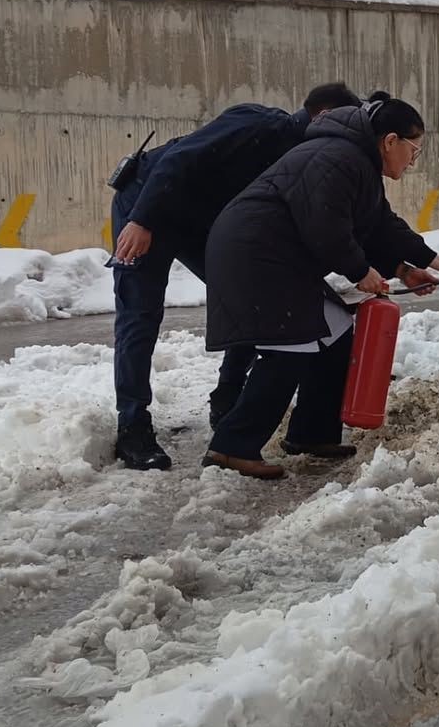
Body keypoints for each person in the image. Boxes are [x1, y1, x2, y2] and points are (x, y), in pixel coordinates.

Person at [202, 91, 439, 479]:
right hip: (257, 258)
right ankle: (231, 447)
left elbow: (381, 225)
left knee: (337, 336)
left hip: (278, 260)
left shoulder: (355, 161)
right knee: (289, 348)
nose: (413, 161)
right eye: (414, 150)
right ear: (390, 141)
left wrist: (426, 265)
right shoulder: (337, 157)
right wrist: (360, 270)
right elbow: (325, 225)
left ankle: (312, 433)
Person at [110, 82, 363, 472]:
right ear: (324, 117)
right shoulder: (257, 124)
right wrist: (141, 220)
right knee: (139, 315)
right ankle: (132, 427)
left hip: (198, 217)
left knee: (251, 295)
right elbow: (178, 161)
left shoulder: (306, 157)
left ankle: (227, 397)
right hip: (149, 200)